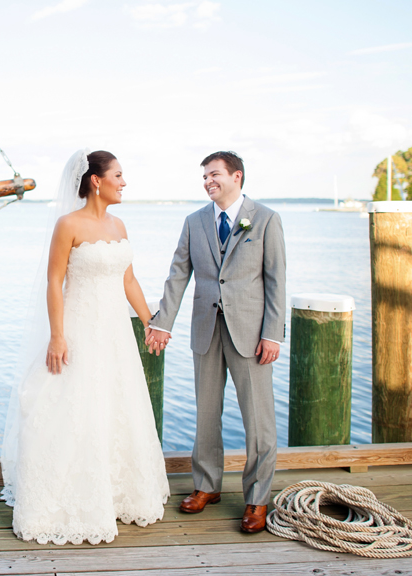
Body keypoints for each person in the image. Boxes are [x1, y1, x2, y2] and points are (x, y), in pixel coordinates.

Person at [0, 149, 170, 546]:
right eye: (119, 175)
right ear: (96, 180)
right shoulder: (68, 224)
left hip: (115, 334)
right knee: (74, 407)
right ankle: (68, 499)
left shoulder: (119, 224)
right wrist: (57, 336)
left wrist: (151, 322)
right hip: (79, 329)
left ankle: (112, 493)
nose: (124, 182)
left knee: (116, 405)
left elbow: (129, 280)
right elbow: (53, 282)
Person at [146, 151, 285, 533]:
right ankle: (207, 486)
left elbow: (276, 281)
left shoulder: (266, 219)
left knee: (259, 421)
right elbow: (178, 275)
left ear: (236, 177)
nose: (208, 181)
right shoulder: (194, 222)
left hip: (252, 335)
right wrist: (162, 323)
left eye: (215, 174)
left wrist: (273, 333)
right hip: (205, 330)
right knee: (206, 414)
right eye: (205, 176)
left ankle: (257, 499)